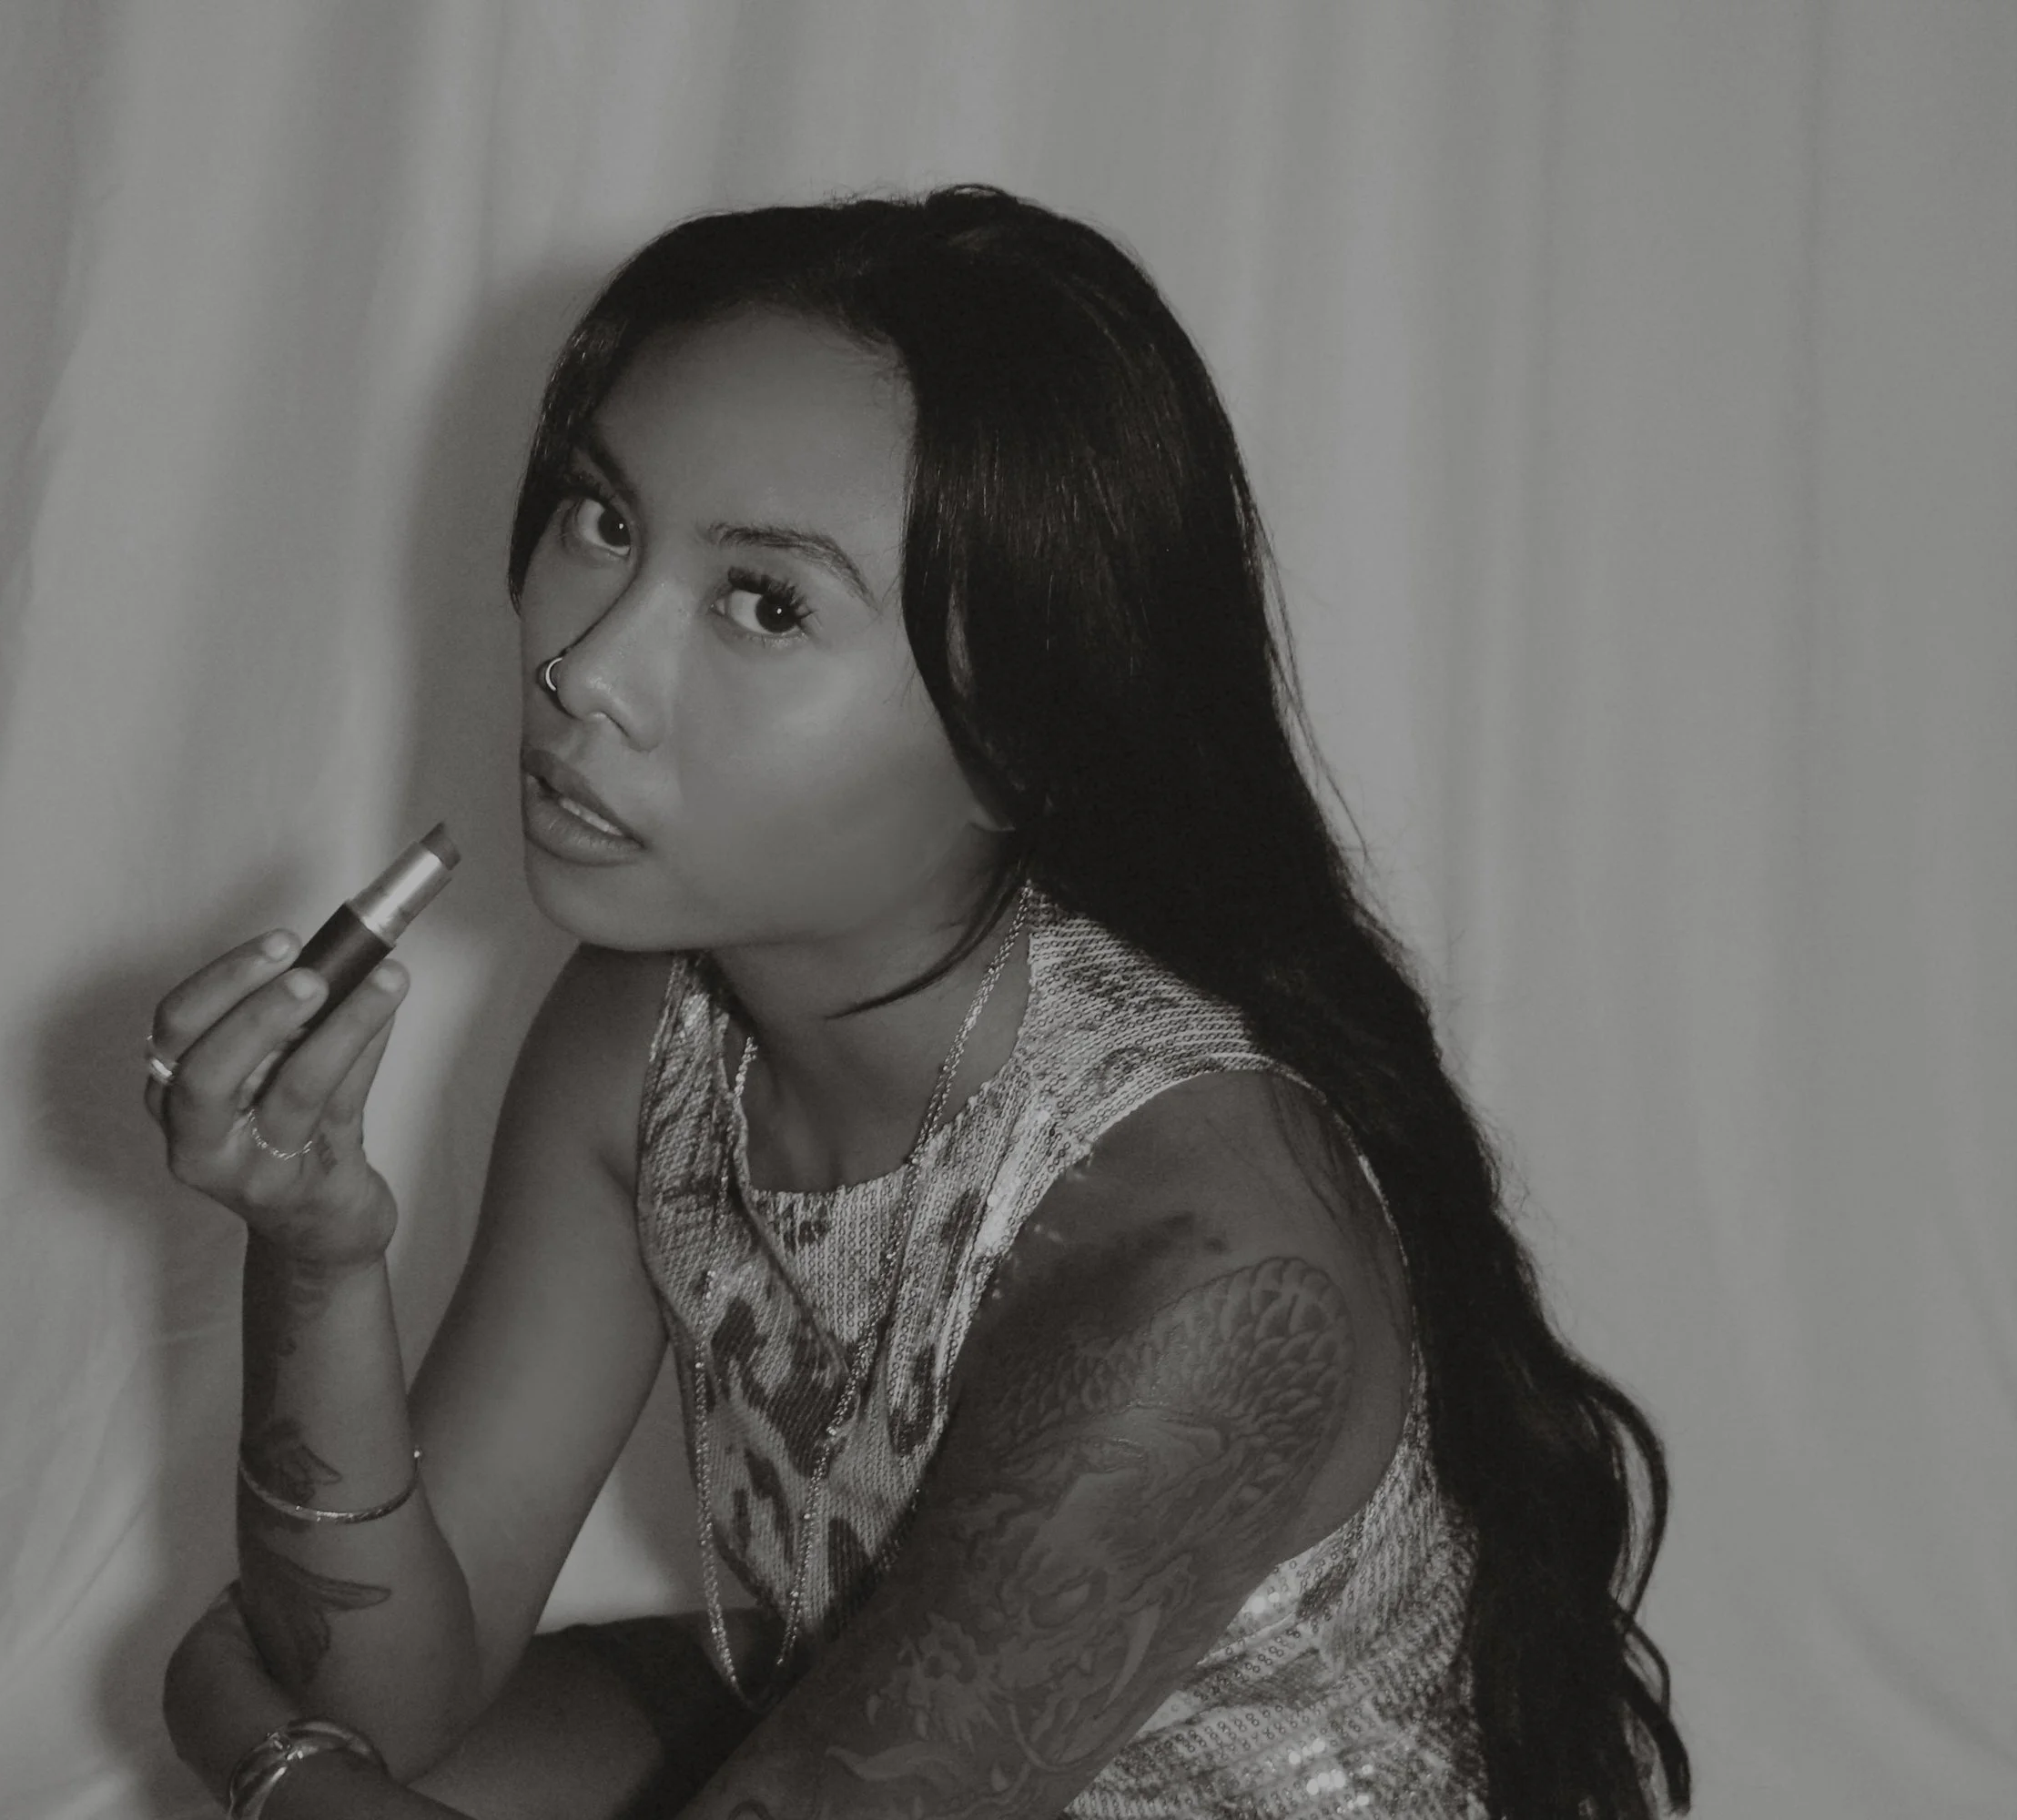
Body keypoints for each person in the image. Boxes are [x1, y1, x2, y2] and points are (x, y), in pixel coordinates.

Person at [151, 187, 1690, 1820]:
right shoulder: (648, 1036)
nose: (585, 669)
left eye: (764, 602)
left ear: (1024, 722)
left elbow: (299, 1717)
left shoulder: (1210, 1263)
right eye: (602, 519)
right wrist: (316, 1252)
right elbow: (387, 1693)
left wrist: (261, 1760)